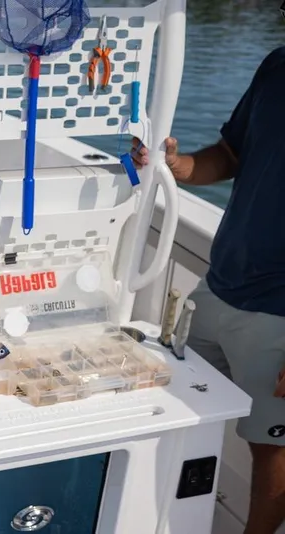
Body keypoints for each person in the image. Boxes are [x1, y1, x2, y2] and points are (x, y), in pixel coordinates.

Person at [133, 45, 285, 534]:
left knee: (274, 455)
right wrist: (179, 167)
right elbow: (231, 154)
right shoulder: (277, 64)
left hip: (277, 313)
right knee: (168, 408)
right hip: (217, 288)